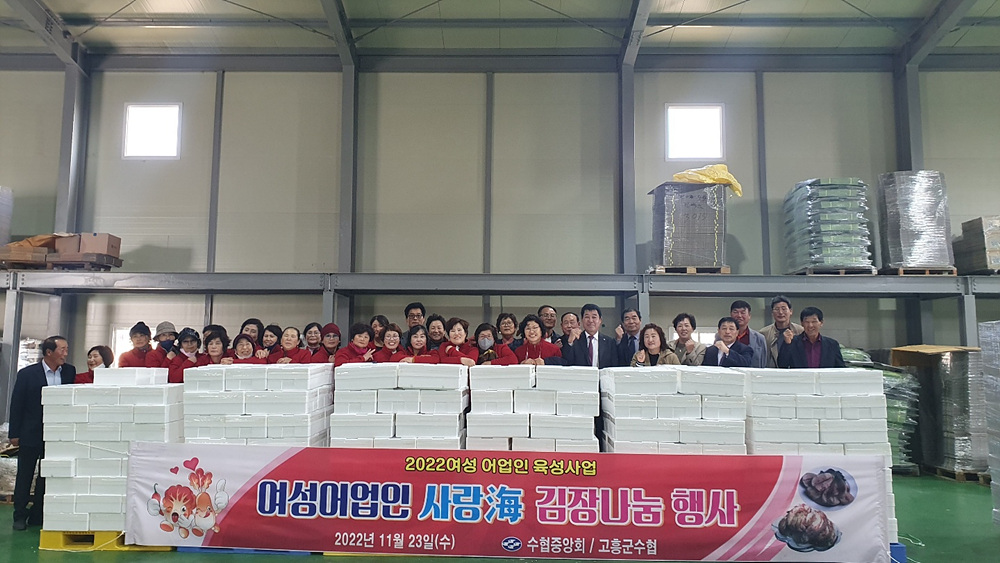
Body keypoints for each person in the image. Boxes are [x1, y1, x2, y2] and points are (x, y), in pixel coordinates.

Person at [8, 336, 76, 531]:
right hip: (30, 432)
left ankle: (38, 513)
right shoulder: (27, 374)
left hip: (56, 433)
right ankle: (19, 515)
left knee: (47, 475)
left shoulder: (69, 372)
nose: (65, 354)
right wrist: (14, 433)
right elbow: (17, 404)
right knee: (25, 475)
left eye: (66, 349)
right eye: (62, 349)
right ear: (49, 352)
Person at [777, 307, 846, 369]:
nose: (810, 325)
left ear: (821, 323)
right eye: (807, 322)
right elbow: (782, 365)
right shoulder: (792, 342)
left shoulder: (832, 345)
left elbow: (841, 369)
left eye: (814, 321)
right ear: (802, 323)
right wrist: (787, 344)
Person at [561, 304, 618, 368]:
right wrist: (570, 343)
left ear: (600, 320)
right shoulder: (574, 340)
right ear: (582, 320)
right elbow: (566, 363)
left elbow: (614, 366)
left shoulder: (609, 342)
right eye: (587, 317)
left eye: (594, 317)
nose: (590, 320)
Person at [759, 295, 805, 368]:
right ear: (772, 313)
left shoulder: (800, 331)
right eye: (776, 309)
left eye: (784, 309)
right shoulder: (764, 333)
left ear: (790, 311)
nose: (780, 312)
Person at [729, 300, 767, 368]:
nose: (739, 315)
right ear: (731, 315)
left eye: (743, 312)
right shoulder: (721, 336)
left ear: (749, 315)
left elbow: (763, 363)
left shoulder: (759, 338)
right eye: (735, 312)